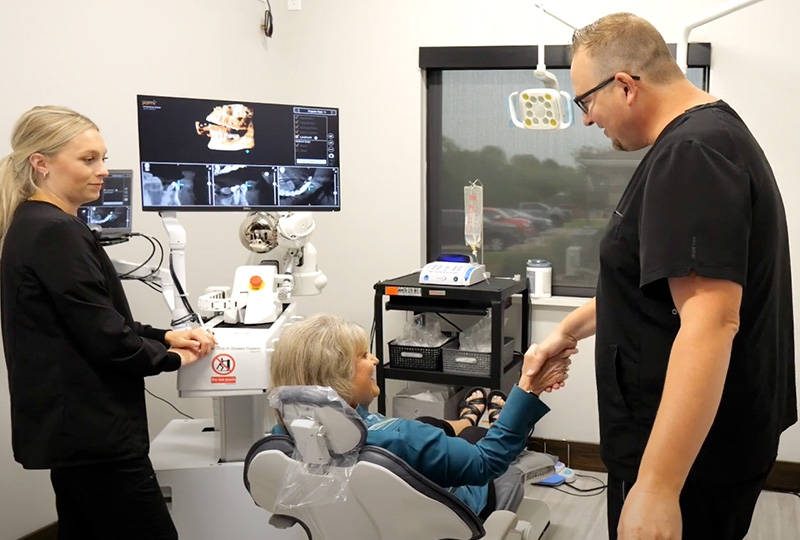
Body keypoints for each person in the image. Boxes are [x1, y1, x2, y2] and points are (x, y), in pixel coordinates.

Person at [523, 13, 797, 540]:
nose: (586, 120)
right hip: (703, 445)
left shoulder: (692, 155)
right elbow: (653, 286)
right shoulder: (708, 138)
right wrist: (562, 333)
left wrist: (657, 485)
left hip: (689, 458)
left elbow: (712, 321)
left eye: (586, 101)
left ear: (625, 86)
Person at [0, 106, 217, 540]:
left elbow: (92, 318)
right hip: (95, 435)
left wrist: (164, 335)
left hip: (69, 432)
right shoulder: (56, 232)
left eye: (102, 157)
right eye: (88, 160)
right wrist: (171, 358)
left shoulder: (31, 223)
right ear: (41, 163)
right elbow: (107, 338)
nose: (103, 171)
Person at [269, 313, 572, 518]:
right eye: (363, 356)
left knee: (428, 426)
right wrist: (529, 386)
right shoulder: (399, 438)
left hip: (364, 514)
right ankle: (490, 422)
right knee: (502, 464)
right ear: (338, 376)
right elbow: (485, 464)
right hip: (451, 513)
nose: (375, 359)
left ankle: (468, 420)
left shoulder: (283, 438)